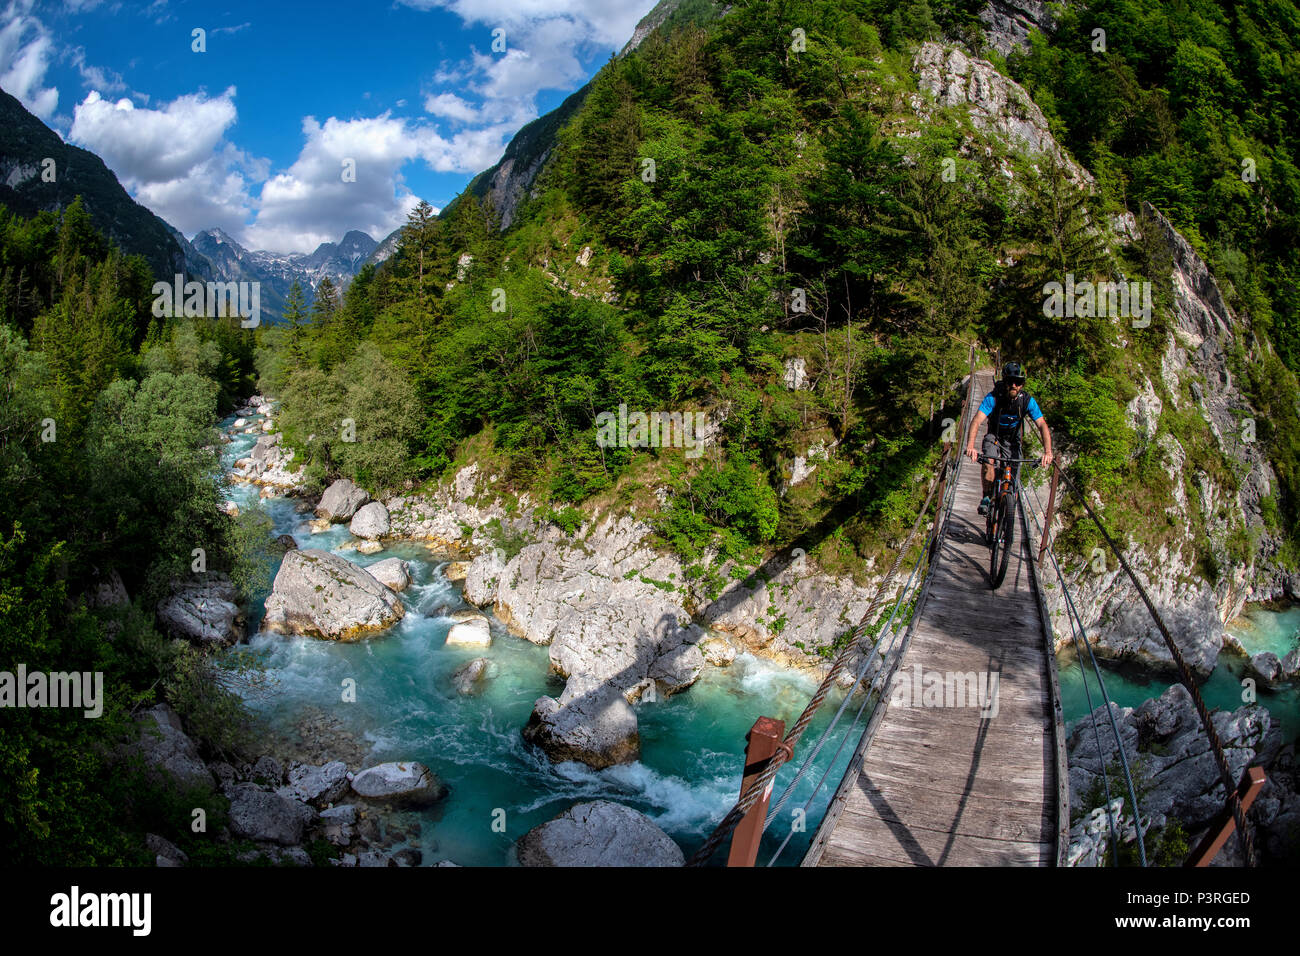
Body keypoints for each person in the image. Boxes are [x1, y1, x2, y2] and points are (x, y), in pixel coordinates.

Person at [964, 361, 1054, 515]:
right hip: (995, 434)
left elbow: (1042, 425)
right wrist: (971, 446)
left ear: (1022, 384)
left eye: (1018, 382)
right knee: (989, 461)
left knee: (1014, 472)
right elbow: (977, 420)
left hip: (1012, 439)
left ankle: (1008, 505)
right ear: (1004, 381)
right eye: (1010, 381)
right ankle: (986, 497)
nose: (1014, 385)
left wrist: (1048, 451)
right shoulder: (993, 397)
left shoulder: (1027, 401)